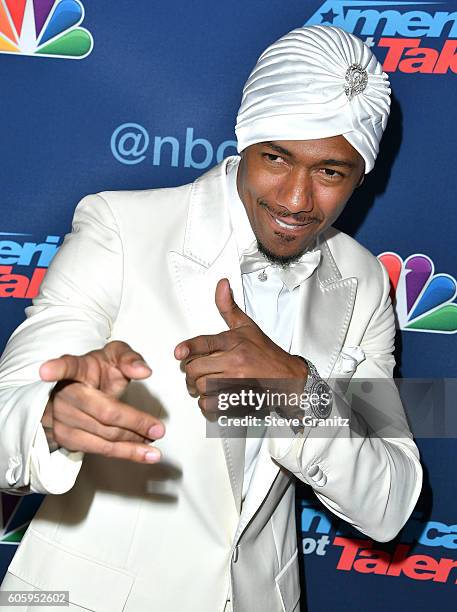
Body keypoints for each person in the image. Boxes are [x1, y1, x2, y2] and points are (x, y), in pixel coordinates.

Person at [0, 25, 422, 612]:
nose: (298, 201)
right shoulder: (123, 228)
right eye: (277, 158)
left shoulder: (364, 280)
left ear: (362, 173)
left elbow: (391, 499)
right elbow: (5, 419)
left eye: (331, 172)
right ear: (245, 140)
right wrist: (50, 417)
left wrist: (298, 391)